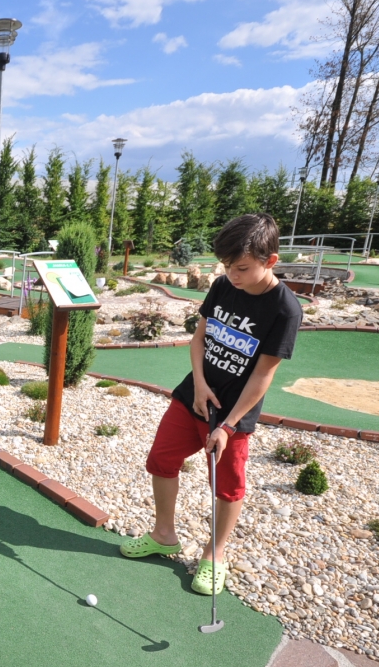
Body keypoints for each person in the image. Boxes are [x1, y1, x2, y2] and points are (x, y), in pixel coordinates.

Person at [120, 214, 302, 596]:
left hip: (233, 416)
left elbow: (263, 375)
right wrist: (200, 385)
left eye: (241, 268)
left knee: (227, 486)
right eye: (226, 266)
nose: (231, 274)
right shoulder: (222, 286)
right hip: (193, 397)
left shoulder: (285, 310)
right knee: (161, 460)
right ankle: (164, 535)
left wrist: (229, 424)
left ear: (270, 261)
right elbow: (199, 339)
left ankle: (214, 554)